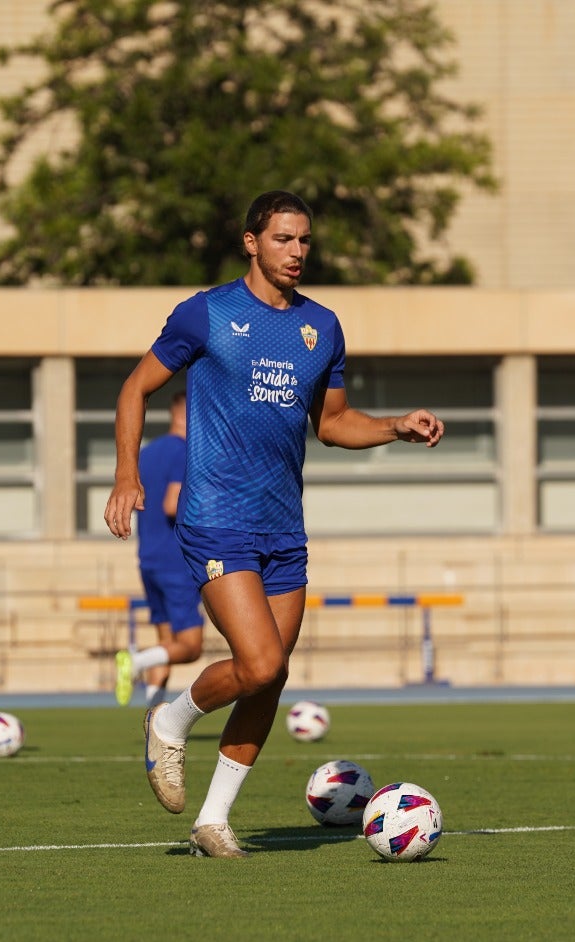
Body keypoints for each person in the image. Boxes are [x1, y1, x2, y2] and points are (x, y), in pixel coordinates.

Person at [103, 190, 445, 858]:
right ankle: (169, 720)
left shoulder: (322, 327)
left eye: (305, 240)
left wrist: (395, 426)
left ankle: (212, 820)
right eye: (284, 239)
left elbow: (334, 422)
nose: (297, 252)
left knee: (272, 674)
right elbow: (133, 388)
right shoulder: (206, 313)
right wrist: (126, 475)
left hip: (283, 527)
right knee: (257, 661)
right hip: (215, 520)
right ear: (252, 242)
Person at [113, 391, 205, 710]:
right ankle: (137, 661)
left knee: (167, 644)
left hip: (149, 559)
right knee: (191, 647)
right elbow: (172, 504)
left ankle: (154, 715)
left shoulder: (148, 453)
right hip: (176, 561)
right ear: (187, 414)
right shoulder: (184, 452)